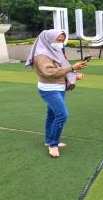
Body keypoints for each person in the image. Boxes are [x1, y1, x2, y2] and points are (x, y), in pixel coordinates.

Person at [25, 29, 88, 158]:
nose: (60, 43)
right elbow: (50, 72)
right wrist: (72, 68)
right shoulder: (41, 55)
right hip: (49, 89)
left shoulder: (54, 50)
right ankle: (53, 144)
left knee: (52, 114)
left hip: (59, 87)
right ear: (49, 39)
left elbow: (61, 68)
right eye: (58, 40)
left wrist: (75, 75)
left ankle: (49, 140)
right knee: (62, 115)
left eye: (62, 40)